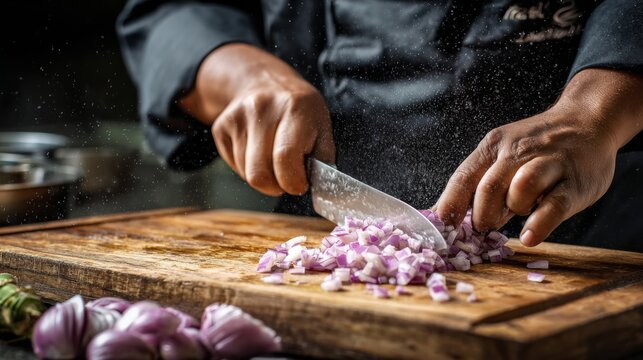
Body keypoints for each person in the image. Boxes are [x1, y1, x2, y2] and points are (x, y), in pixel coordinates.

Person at [116, 1, 643, 251]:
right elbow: (172, 11)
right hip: (325, 244)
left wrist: (594, 111)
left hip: (599, 244)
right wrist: (243, 76)